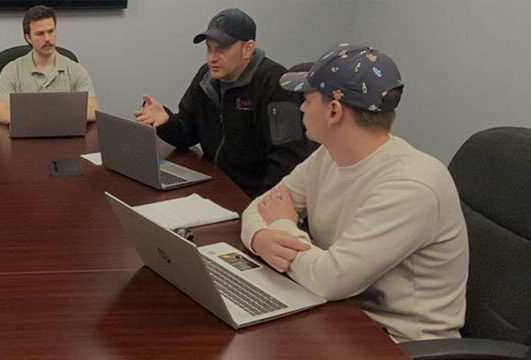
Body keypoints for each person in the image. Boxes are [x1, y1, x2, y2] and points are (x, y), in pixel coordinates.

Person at [238, 44, 469, 342]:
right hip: (338, 313)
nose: (301, 108)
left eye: (307, 99)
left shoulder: (411, 186)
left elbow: (330, 279)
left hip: (398, 342)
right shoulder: (329, 155)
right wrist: (260, 238)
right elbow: (260, 207)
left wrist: (282, 226)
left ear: (334, 111)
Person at [135, 8, 317, 197]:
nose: (212, 58)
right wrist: (166, 121)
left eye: (221, 49)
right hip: (213, 183)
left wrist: (260, 206)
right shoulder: (206, 77)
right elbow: (187, 132)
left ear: (247, 48)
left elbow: (286, 159)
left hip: (251, 193)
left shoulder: (274, 83)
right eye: (209, 48)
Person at [0, 5, 99, 124]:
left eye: (51, 31)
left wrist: (41, 116)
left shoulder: (75, 70)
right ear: (28, 38)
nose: (47, 39)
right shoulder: (11, 70)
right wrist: (49, 117)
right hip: (25, 138)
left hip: (64, 137)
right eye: (40, 34)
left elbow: (92, 111)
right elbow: (0, 114)